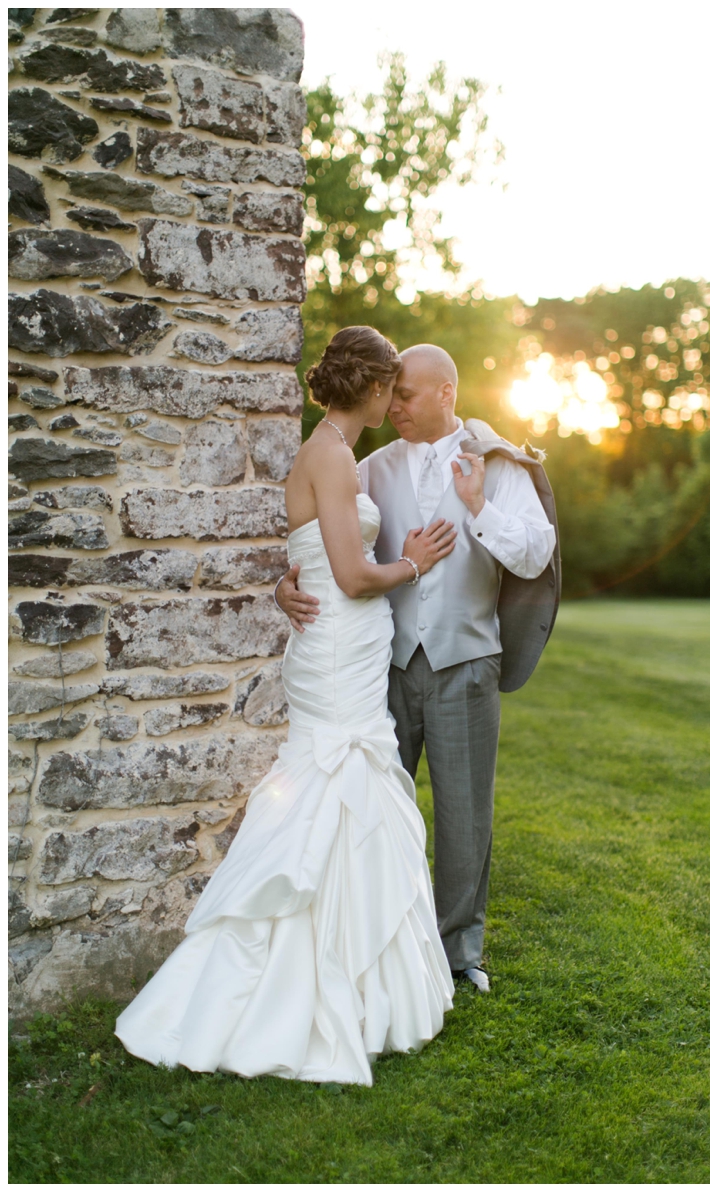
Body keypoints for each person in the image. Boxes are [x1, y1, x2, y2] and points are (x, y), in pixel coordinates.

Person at [115, 327, 457, 1086]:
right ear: (371, 390)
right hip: (338, 647)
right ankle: (298, 983)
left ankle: (357, 973)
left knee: (345, 791)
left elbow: (305, 558)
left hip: (343, 649)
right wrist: (414, 562)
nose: (393, 400)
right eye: (390, 389)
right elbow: (348, 573)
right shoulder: (331, 455)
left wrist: (282, 585)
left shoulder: (328, 452)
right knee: (333, 790)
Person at [277, 343, 558, 993]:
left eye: (405, 394)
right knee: (377, 808)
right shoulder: (367, 466)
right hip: (384, 665)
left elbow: (536, 551)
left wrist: (480, 507)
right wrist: (282, 587)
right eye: (389, 393)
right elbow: (324, 543)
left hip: (466, 660)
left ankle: (459, 954)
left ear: (445, 395)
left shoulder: (499, 465)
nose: (391, 404)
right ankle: (377, 940)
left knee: (466, 817)